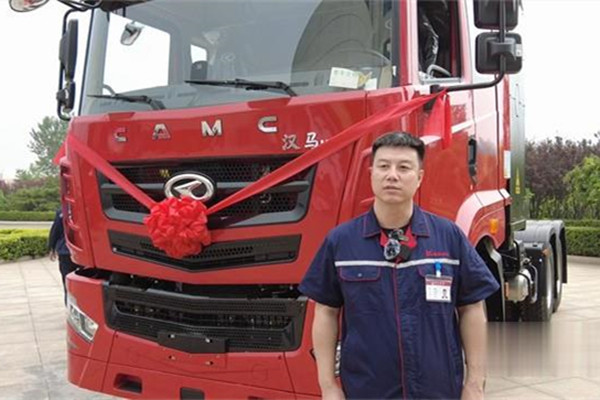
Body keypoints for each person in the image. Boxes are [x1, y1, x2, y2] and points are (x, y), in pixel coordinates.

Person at [299, 132, 499, 400]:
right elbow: (325, 312)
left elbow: (472, 308)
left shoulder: (448, 237)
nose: (392, 175)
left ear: (420, 177)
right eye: (384, 166)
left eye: (404, 167)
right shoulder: (341, 242)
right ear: (371, 174)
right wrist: (328, 386)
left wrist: (475, 384)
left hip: (438, 390)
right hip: (366, 391)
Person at [48, 208, 80, 305]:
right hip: (81, 251)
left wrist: (52, 247)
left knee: (67, 280)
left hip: (65, 250)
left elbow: (55, 232)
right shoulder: (84, 209)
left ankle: (69, 304)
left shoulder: (61, 212)